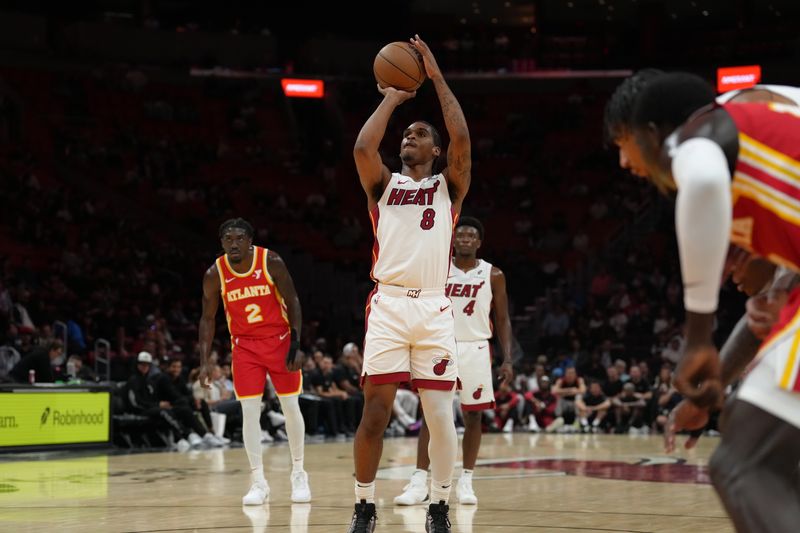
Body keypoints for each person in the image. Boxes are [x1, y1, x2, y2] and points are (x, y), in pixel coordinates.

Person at [628, 71, 800, 532]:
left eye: (627, 148)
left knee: (745, 462)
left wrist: (698, 335)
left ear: (652, 135)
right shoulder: (766, 127)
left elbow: (703, 182)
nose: (629, 165)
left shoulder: (701, 132)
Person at [349, 34, 471, 533]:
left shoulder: (449, 186)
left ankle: (439, 505)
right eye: (406, 134)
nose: (409, 137)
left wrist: (436, 78)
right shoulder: (383, 185)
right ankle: (363, 506)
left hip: (435, 310)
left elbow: (463, 140)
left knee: (440, 418)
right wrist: (393, 97)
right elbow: (362, 146)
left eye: (420, 134)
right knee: (374, 415)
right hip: (390, 307)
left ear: (436, 150)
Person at [394, 216, 513, 506]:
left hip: (475, 347)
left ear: (479, 242)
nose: (465, 240)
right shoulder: (437, 268)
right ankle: (420, 480)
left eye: (471, 236)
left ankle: (467, 480)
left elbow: (502, 318)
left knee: (474, 415)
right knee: (432, 415)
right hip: (439, 345)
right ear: (452, 239)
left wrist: (507, 358)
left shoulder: (492, 274)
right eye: (460, 235)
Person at [197, 217, 310, 505]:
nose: (233, 244)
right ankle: (258, 481)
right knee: (249, 411)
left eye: (239, 239)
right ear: (221, 243)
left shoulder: (270, 261)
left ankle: (298, 472)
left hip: (280, 341)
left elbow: (293, 301)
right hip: (245, 347)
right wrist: (204, 361)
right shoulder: (215, 273)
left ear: (250, 241)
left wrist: (296, 344)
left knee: (290, 405)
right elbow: (207, 319)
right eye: (228, 239)